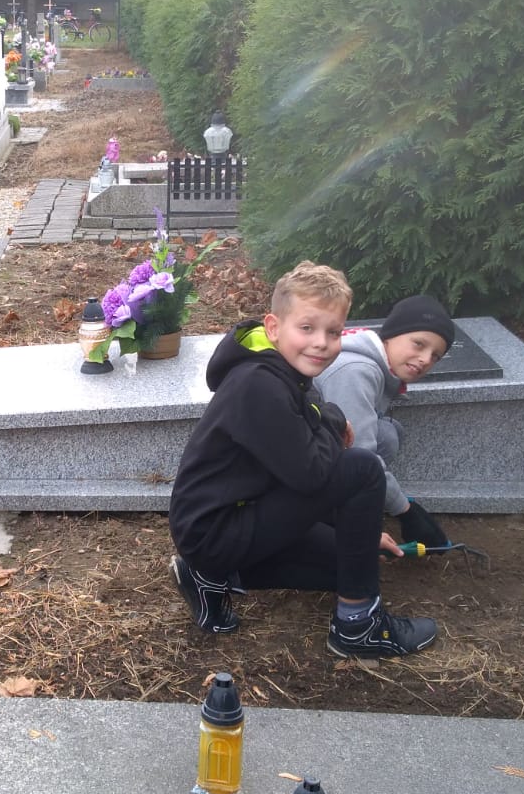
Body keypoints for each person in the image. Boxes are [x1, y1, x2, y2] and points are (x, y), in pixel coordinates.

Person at [167, 262, 438, 658]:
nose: (321, 343)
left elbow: (302, 465)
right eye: (307, 328)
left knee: (350, 565)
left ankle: (208, 577)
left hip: (241, 514)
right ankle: (357, 625)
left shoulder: (283, 370)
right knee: (361, 468)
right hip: (216, 530)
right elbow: (312, 474)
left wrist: (358, 537)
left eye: (334, 332)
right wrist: (332, 421)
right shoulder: (258, 385)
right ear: (273, 327)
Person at [314, 295, 457, 549]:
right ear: (390, 336)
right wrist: (406, 511)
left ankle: (344, 508)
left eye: (435, 356)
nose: (425, 359)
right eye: (419, 344)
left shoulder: (375, 367)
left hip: (316, 451)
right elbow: (361, 455)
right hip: (288, 473)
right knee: (377, 444)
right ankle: (327, 521)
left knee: (388, 433)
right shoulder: (356, 371)